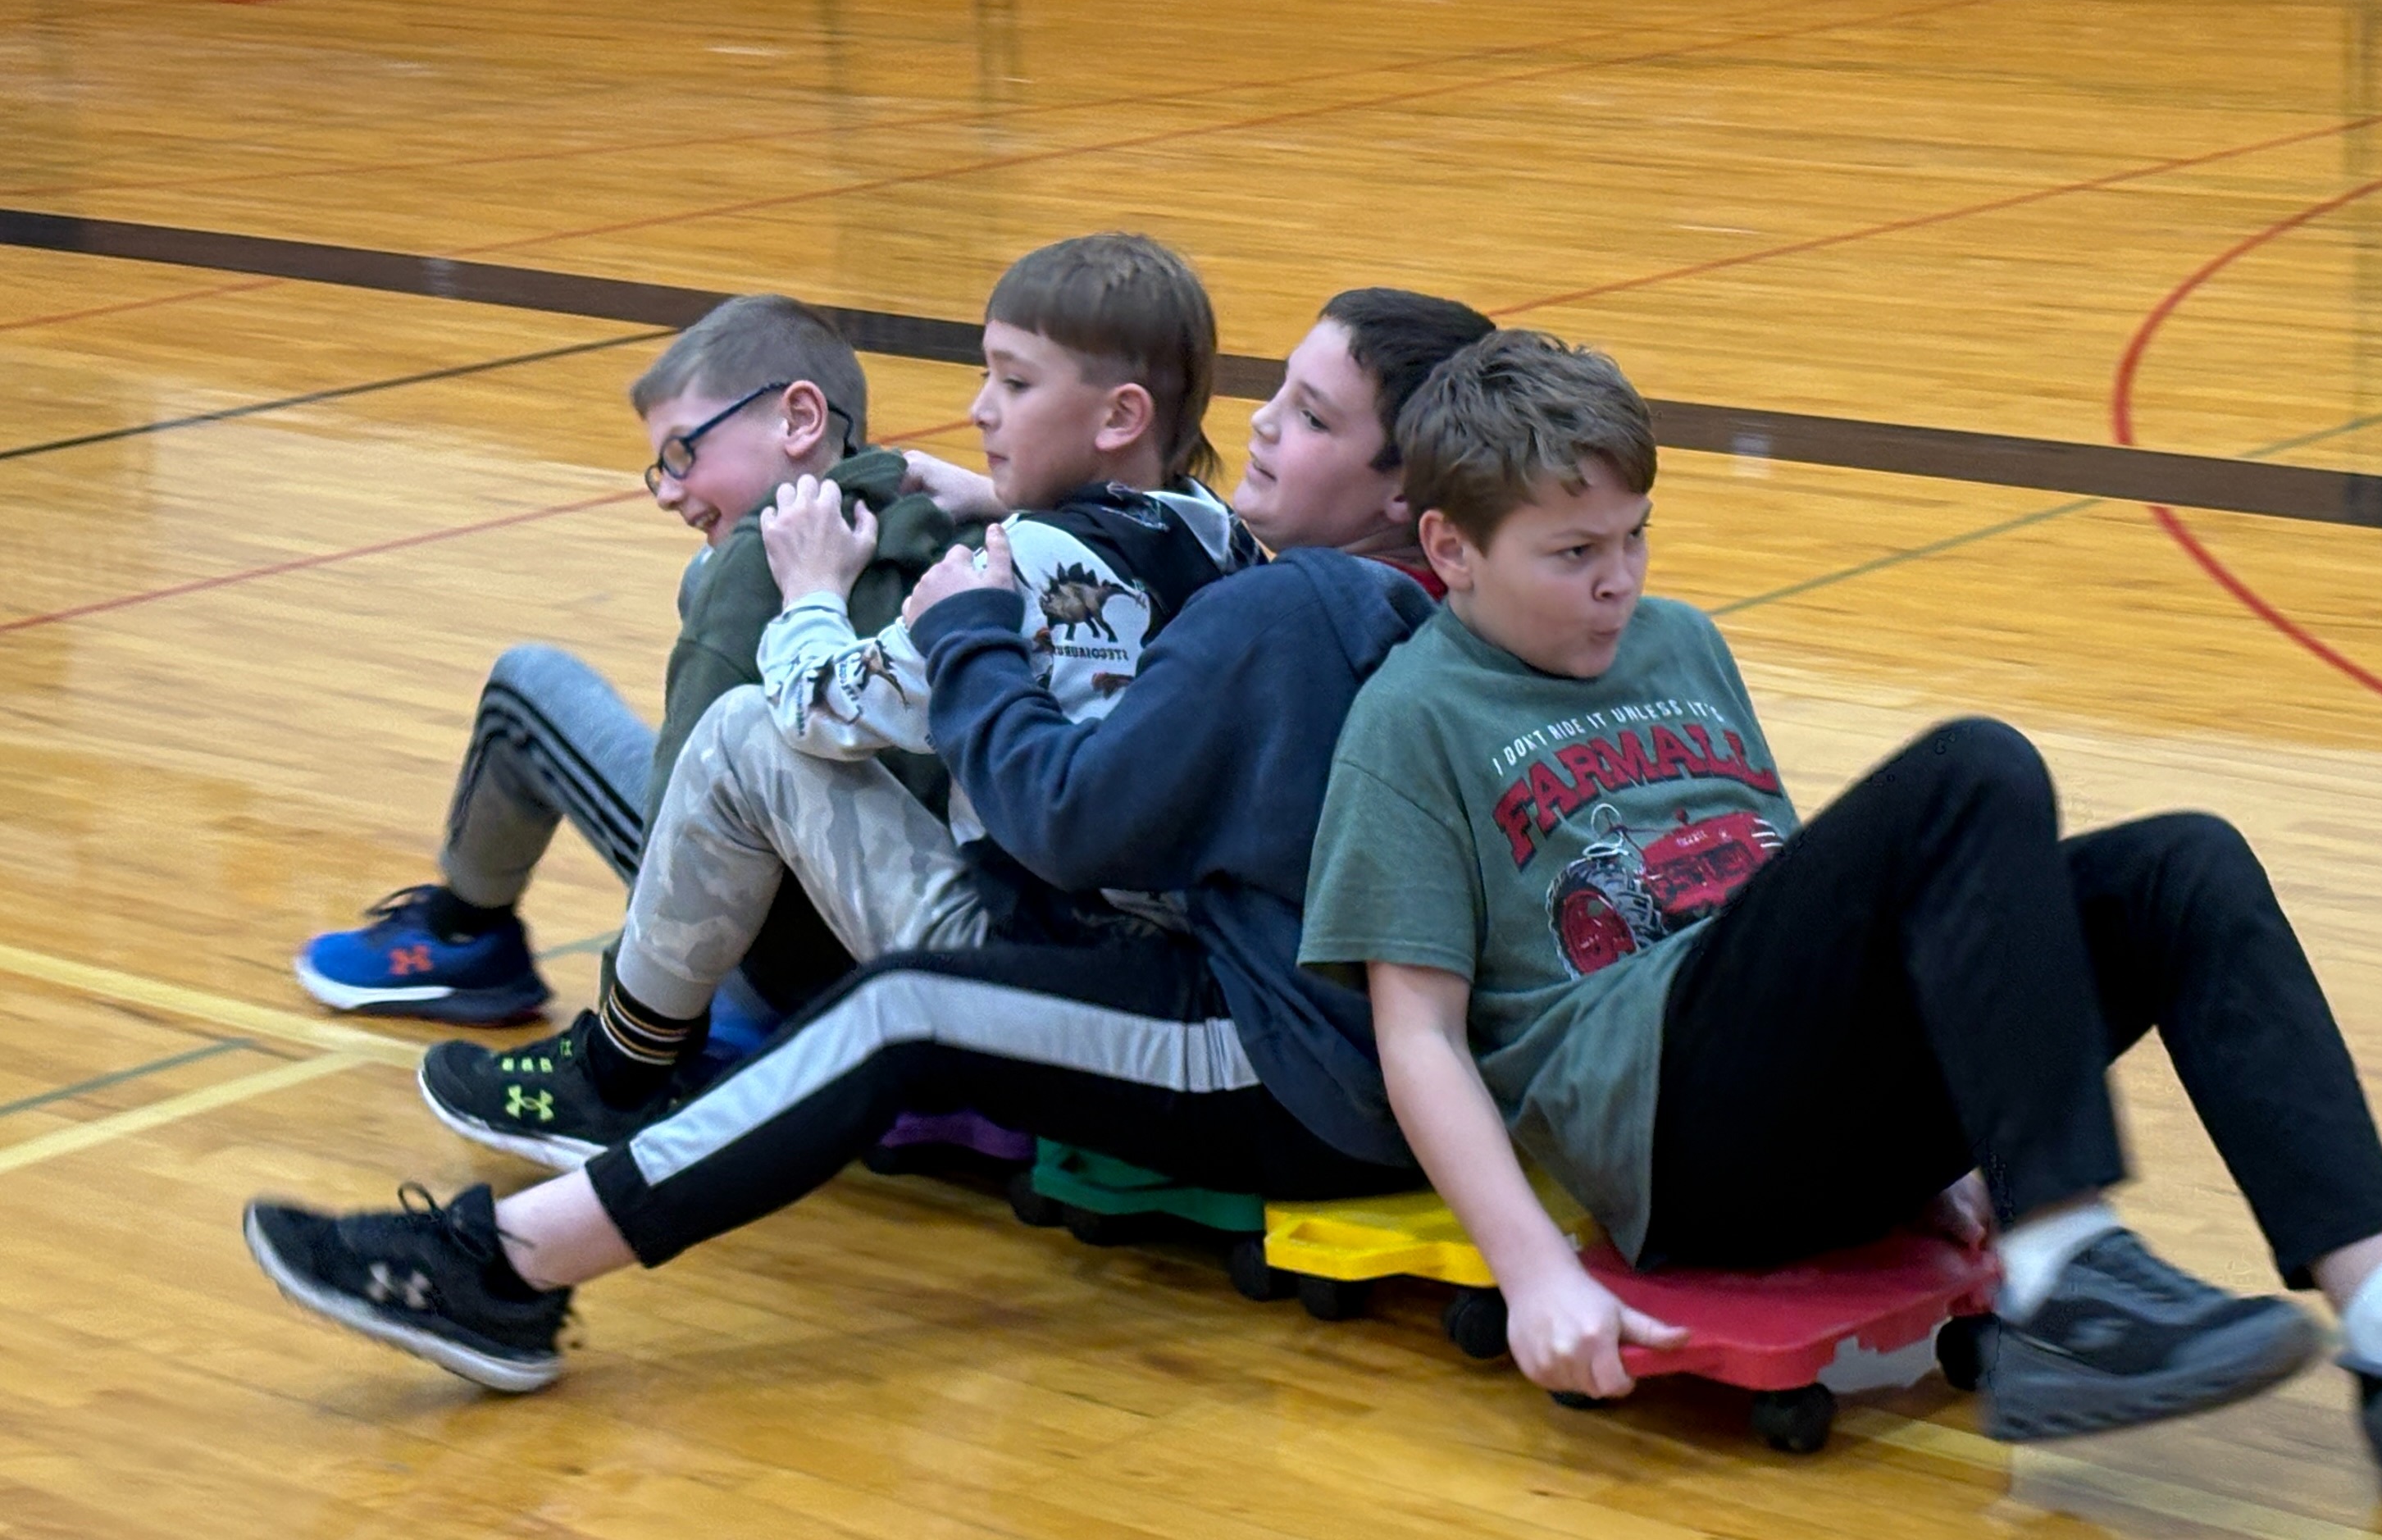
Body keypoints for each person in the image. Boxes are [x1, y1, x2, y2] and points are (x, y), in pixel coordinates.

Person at [1294, 330, 2382, 1506]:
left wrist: (1967, 1129)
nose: (1619, 579)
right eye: (1571, 553)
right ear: (1450, 547)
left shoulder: (1680, 643)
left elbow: (1801, 898)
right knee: (1973, 769)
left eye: (1635, 536)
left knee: (2183, 865)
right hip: (1665, 1129)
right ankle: (2068, 1279)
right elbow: (1417, 1034)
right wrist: (1534, 1274)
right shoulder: (1409, 721)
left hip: (1795, 1099)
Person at [240, 289, 1502, 1395]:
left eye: (1311, 416)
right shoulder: (1452, 603)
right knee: (863, 905)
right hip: (1331, 1034)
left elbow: (1071, 825)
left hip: (1279, 1059)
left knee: (898, 1001)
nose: (1264, 424)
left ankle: (509, 1262)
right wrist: (1012, 500)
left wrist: (965, 631)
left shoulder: (1292, 611)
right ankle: (551, 1190)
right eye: (1275, 392)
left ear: (1408, 489)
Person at [407, 232, 1268, 1168]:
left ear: (1120, 415)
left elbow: (820, 704)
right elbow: (1106, 580)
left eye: (1014, 384)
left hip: (1027, 981)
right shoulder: (1217, 534)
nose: (979, 408)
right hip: (1185, 968)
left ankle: (618, 1074)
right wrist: (1005, 500)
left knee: (743, 732)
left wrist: (812, 592)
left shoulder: (1010, 566)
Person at [291, 294, 952, 1024]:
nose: (666, 491)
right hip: (943, 950)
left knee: (526, 686)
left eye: (682, 453)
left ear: (799, 418)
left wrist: (633, 1033)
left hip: (797, 974)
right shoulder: (954, 531)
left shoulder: (750, 570)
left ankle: (466, 935)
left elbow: (680, 838)